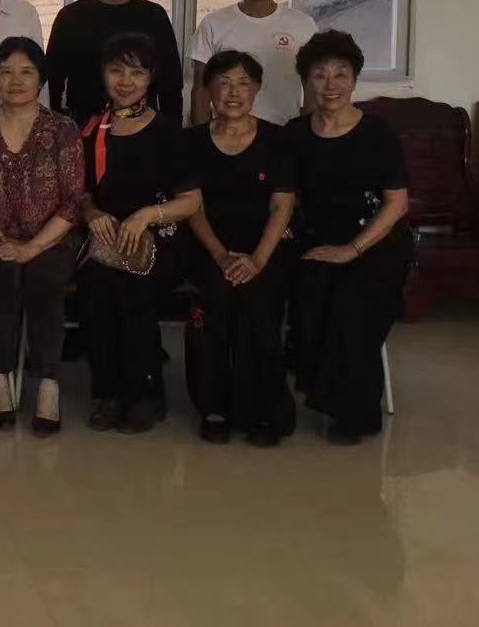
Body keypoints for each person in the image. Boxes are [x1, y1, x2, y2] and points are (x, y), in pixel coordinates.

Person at [284, 30, 411, 445]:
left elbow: (396, 204)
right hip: (319, 237)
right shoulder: (295, 134)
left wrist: (352, 249)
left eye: (340, 74)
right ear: (307, 81)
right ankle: (322, 390)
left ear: (354, 79)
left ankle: (357, 411)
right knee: (310, 288)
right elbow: (284, 199)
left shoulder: (379, 133)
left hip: (377, 240)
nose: (330, 84)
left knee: (352, 301)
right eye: (320, 75)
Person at [78, 32, 201, 435]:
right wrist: (93, 213)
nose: (125, 81)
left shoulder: (167, 131)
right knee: (96, 286)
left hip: (162, 237)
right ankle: (109, 392)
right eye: (116, 70)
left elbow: (192, 201)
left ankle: (145, 391)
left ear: (150, 78)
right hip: (109, 238)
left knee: (134, 285)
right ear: (103, 74)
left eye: (136, 72)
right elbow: (82, 195)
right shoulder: (93, 129)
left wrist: (147, 215)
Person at [0, 37, 84, 435]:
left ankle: (48, 384)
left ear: (41, 79)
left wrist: (32, 247)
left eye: (26, 72)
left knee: (45, 282)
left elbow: (74, 201)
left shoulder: (62, 129)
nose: (15, 80)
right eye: (6, 72)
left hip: (52, 238)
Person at [184, 50, 297, 446]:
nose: (233, 92)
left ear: (257, 89)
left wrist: (258, 260)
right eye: (224, 83)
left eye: (243, 83)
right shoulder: (191, 142)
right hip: (209, 247)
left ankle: (262, 408)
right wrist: (221, 255)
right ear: (208, 91)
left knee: (258, 305)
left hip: (265, 247)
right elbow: (193, 207)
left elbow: (282, 206)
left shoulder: (277, 140)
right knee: (213, 300)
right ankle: (213, 405)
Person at [46, 0, 183, 127]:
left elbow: (171, 80)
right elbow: (52, 79)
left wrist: (173, 129)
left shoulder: (154, 15)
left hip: (142, 125)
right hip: (82, 126)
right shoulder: (70, 16)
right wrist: (55, 126)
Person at [190, 0, 317, 126]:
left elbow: (313, 88)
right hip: (227, 135)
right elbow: (201, 89)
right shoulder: (213, 24)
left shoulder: (303, 25)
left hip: (285, 132)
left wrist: (309, 135)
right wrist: (200, 137)